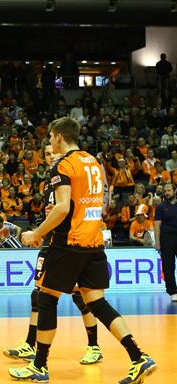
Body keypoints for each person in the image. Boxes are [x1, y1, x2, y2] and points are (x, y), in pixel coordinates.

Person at [11, 117, 156, 383]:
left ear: (58, 137)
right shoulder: (93, 162)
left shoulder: (63, 165)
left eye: (51, 137)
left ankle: (39, 366)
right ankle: (138, 357)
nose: (50, 141)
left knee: (46, 299)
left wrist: (36, 233)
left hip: (69, 242)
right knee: (97, 303)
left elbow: (62, 207)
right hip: (94, 241)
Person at [4, 143, 103, 365]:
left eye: (54, 152)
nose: (51, 156)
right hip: (51, 240)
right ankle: (30, 345)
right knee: (38, 294)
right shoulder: (51, 180)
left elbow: (70, 209)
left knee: (80, 296)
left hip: (71, 242)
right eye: (47, 154)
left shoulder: (70, 173)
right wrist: (41, 233)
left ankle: (94, 346)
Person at [154, 182, 177, 302]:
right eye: (165, 191)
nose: (167, 193)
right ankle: (173, 291)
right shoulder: (161, 207)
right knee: (168, 266)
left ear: (175, 191)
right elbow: (157, 225)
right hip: (167, 238)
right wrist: (157, 242)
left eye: (169, 190)